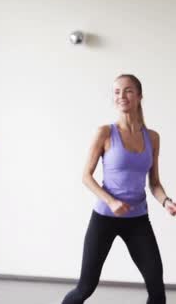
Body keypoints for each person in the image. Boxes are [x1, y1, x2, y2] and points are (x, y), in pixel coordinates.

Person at [62, 74, 176, 304]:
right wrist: (111, 201)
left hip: (137, 220)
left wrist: (166, 201)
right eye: (116, 92)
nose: (121, 96)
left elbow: (154, 183)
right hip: (104, 217)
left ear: (139, 96)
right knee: (85, 288)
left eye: (128, 90)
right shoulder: (105, 132)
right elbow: (86, 176)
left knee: (157, 290)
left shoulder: (152, 138)